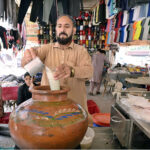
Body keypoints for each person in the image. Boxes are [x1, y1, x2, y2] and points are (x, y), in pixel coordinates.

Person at [21, 14, 93, 125]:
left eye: (67, 26)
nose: (62, 29)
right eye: (59, 26)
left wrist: (72, 71)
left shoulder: (81, 51)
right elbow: (31, 69)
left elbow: (89, 72)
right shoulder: (47, 49)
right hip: (49, 109)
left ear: (73, 30)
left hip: (75, 109)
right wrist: (27, 58)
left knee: (76, 137)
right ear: (56, 29)